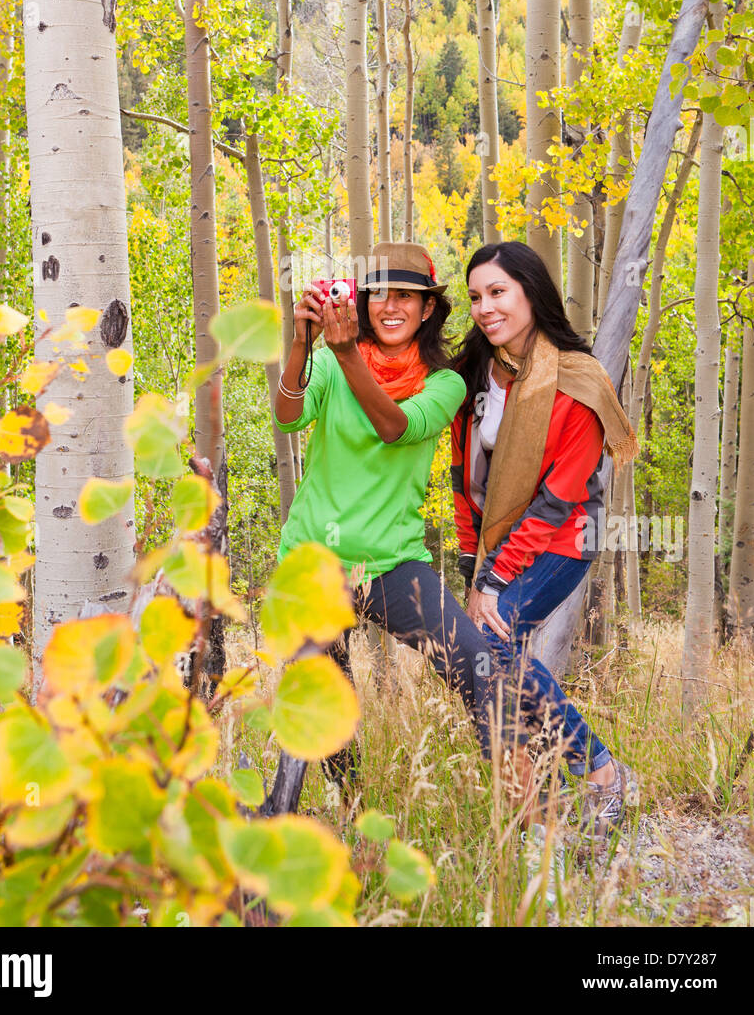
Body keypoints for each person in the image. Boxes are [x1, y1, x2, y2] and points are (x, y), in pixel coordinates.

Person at [274, 241, 496, 756]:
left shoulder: (445, 384)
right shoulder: (330, 364)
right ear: (362, 303)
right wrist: (301, 346)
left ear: (428, 310)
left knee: (471, 658)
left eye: (407, 297)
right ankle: (351, 813)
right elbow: (288, 417)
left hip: (392, 564)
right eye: (379, 295)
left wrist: (346, 351)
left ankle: (522, 799)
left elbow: (395, 428)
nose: (391, 306)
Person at [451, 241, 640, 834]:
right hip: (493, 547)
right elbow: (464, 476)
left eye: (498, 292)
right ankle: (548, 811)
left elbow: (560, 497)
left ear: (531, 291)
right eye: (476, 296)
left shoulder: (578, 381)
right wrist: (469, 561)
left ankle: (604, 773)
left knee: (495, 649)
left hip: (562, 539)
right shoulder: (477, 375)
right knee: (488, 661)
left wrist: (493, 580)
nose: (485, 307)